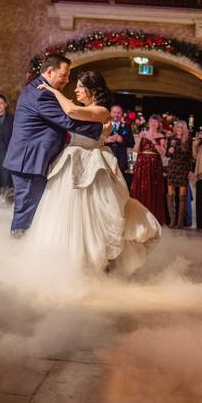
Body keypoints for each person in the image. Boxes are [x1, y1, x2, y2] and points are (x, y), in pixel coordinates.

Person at [34, 71, 160, 275]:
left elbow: (71, 111)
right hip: (71, 162)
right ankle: (65, 260)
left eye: (79, 87)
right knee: (66, 211)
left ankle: (95, 263)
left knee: (94, 212)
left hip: (93, 165)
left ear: (91, 90)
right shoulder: (85, 108)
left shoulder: (102, 111)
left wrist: (52, 90)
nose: (75, 90)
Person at [3, 54, 76, 234]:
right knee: (26, 212)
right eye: (64, 75)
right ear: (50, 71)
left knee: (31, 212)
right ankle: (15, 250)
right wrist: (98, 126)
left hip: (33, 161)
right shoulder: (41, 93)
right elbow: (67, 121)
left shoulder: (41, 90)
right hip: (30, 163)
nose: (67, 80)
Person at [131, 114, 167, 224]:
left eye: (156, 122)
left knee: (153, 188)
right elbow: (135, 150)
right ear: (149, 122)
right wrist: (140, 138)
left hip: (154, 164)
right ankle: (139, 216)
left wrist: (153, 140)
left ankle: (152, 216)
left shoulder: (161, 136)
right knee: (141, 189)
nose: (153, 123)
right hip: (142, 164)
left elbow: (163, 152)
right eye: (152, 121)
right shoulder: (143, 134)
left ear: (159, 124)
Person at [166, 120, 194, 229]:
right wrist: (170, 151)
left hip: (183, 168)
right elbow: (167, 154)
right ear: (175, 128)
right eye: (178, 127)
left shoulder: (188, 140)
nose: (179, 130)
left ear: (185, 129)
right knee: (170, 195)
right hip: (172, 167)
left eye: (181, 128)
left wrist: (190, 170)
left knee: (182, 196)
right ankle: (172, 220)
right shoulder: (171, 139)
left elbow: (190, 156)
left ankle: (180, 221)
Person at [106, 104, 135, 186]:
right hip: (107, 155)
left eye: (118, 113)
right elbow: (98, 140)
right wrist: (106, 140)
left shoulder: (126, 126)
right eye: (114, 112)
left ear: (122, 114)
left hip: (121, 159)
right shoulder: (104, 125)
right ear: (110, 113)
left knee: (119, 183)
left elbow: (131, 143)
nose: (116, 115)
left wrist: (122, 140)